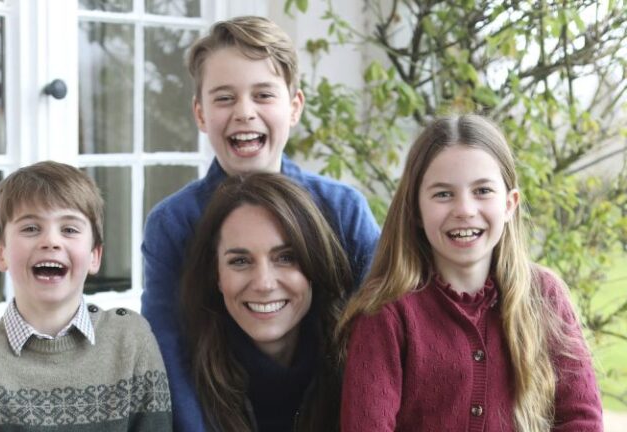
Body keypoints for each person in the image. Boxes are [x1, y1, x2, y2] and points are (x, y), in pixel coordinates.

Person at [141, 15, 380, 431]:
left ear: (294, 107)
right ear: (200, 114)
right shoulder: (173, 224)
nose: (244, 113)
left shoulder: (343, 211)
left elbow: (380, 338)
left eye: (263, 94)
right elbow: (169, 356)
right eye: (224, 98)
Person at [339, 115, 603, 431]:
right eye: (443, 194)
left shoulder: (545, 296)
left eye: (482, 190)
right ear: (416, 210)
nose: (464, 210)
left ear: (509, 204)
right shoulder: (386, 315)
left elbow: (582, 420)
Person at [0, 161, 172, 431]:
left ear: (94, 256)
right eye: (30, 228)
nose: (51, 241)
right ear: (0, 254)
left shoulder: (131, 341)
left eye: (69, 230)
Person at [181, 172, 352, 431]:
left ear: (315, 265)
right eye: (240, 261)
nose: (264, 283)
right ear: (216, 276)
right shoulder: (180, 383)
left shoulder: (356, 366)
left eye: (286, 258)